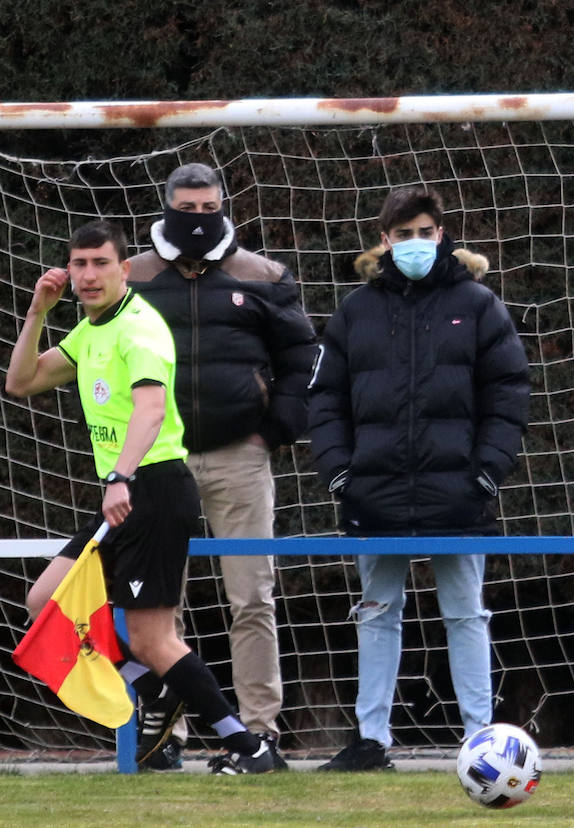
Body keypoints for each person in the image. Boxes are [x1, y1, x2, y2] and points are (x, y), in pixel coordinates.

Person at [6, 221, 276, 774]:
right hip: (126, 492)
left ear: (123, 269)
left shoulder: (139, 328)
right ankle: (159, 687)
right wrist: (37, 312)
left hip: (151, 489)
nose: (87, 276)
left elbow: (151, 410)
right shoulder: (89, 330)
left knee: (154, 637)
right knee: (44, 604)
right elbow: (20, 381)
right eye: (78, 265)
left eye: (99, 264)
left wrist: (121, 478)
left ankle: (248, 748)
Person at [308, 185, 530, 771]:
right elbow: (325, 400)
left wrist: (485, 475)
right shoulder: (355, 310)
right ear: (383, 240)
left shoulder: (479, 304)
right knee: (376, 614)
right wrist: (340, 475)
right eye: (402, 233)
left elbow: (508, 396)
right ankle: (371, 741)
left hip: (457, 492)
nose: (414, 242)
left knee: (466, 613)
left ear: (442, 233)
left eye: (424, 231)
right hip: (373, 493)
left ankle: (481, 741)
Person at [125, 162, 315, 771]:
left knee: (252, 597)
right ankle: (165, 735)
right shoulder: (133, 276)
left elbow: (304, 356)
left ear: (224, 205)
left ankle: (260, 731)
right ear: (167, 205)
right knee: (158, 606)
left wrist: (274, 430)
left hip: (241, 454)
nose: (198, 219)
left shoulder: (264, 275)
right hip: (161, 459)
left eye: (210, 209)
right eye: (188, 208)